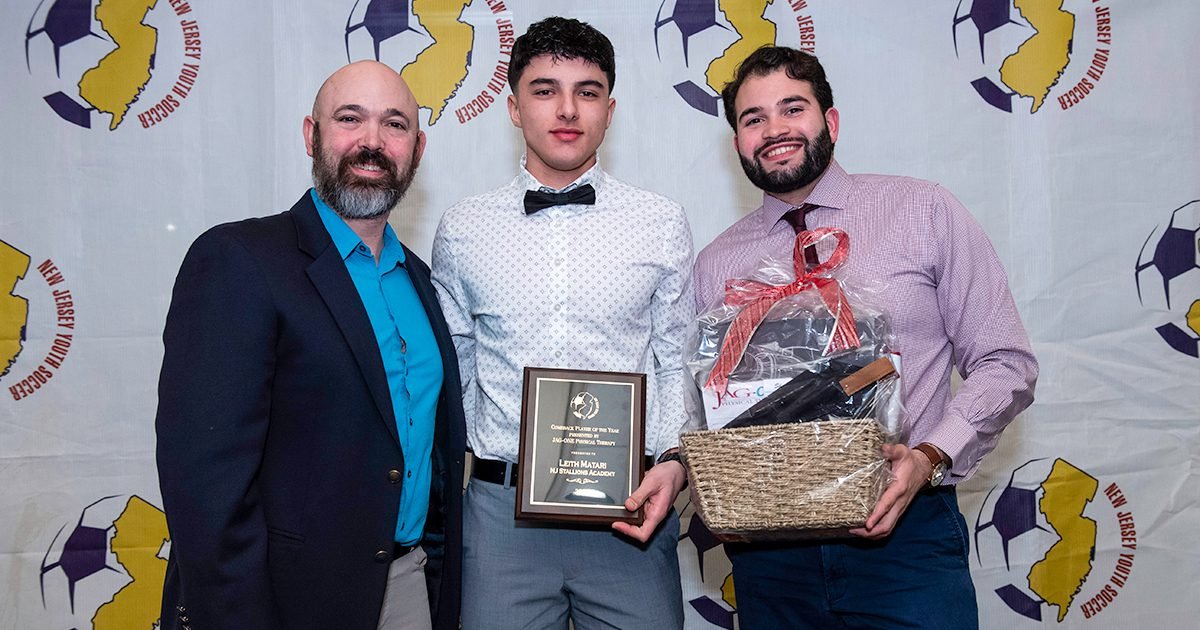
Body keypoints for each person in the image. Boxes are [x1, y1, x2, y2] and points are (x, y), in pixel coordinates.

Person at [693, 46, 1038, 629]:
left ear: (830, 121)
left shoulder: (922, 210)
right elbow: (704, 405)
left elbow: (1006, 360)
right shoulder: (715, 263)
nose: (774, 130)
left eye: (792, 109)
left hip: (906, 537)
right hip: (770, 557)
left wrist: (929, 457)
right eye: (753, 119)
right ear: (737, 144)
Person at [155, 61, 465, 630]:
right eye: (350, 119)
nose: (371, 142)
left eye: (394, 125)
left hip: (408, 586)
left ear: (417, 149)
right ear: (311, 134)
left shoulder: (421, 281)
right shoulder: (240, 260)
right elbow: (207, 488)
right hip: (282, 600)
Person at [431, 17, 692, 630]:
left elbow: (677, 357)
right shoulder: (463, 228)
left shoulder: (661, 221)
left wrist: (676, 459)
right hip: (501, 517)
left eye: (588, 91)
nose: (568, 109)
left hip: (631, 512)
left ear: (610, 109)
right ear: (514, 107)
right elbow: (458, 366)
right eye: (545, 90)